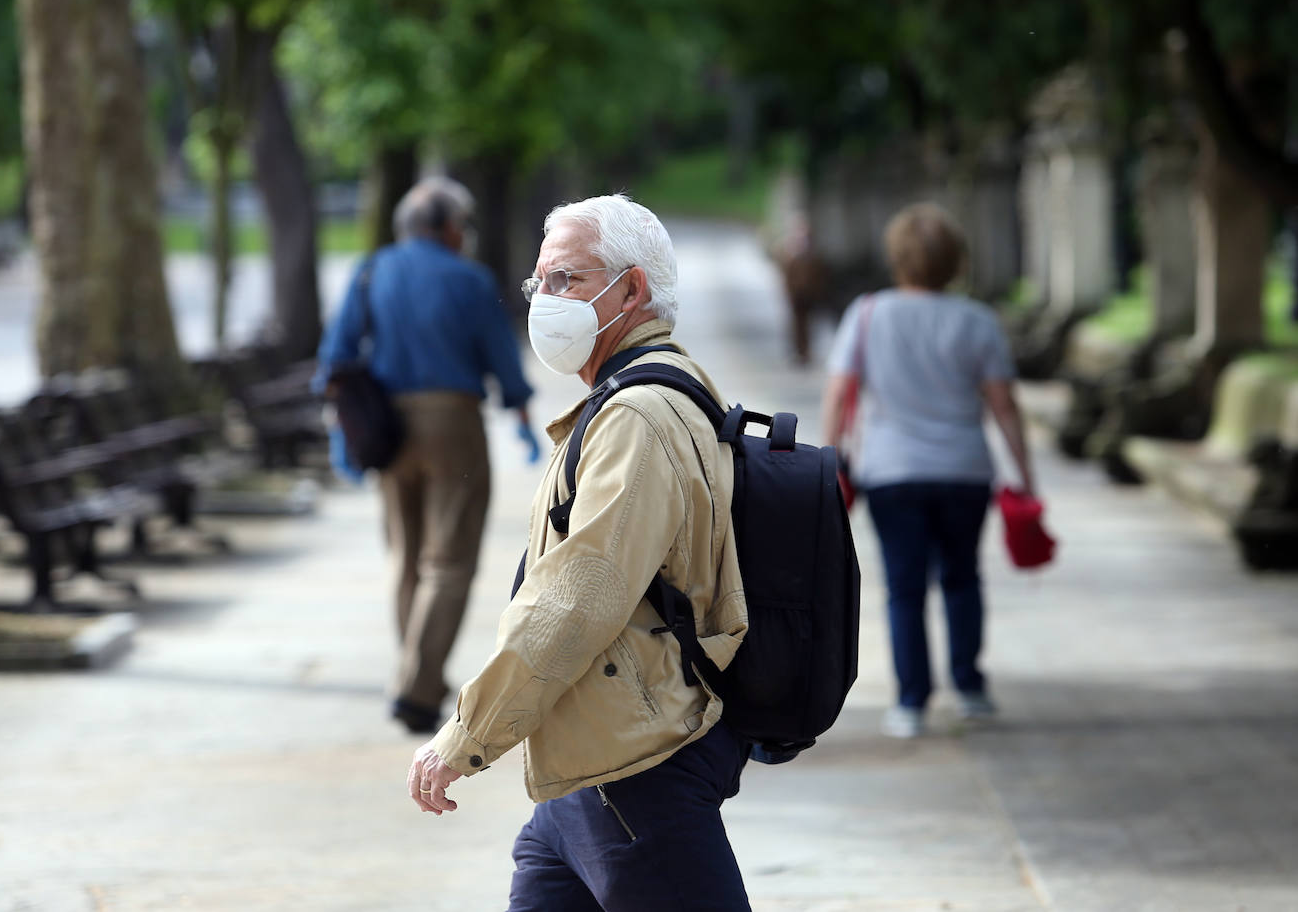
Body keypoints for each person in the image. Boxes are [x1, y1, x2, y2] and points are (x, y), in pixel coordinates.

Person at [405, 195, 753, 911]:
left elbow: (577, 598)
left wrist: (467, 736)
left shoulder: (637, 416)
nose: (545, 300)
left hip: (635, 772)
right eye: (540, 283)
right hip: (585, 769)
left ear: (632, 290)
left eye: (567, 279)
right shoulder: (631, 397)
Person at [316, 176, 538, 736]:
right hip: (453, 422)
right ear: (444, 228)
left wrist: (343, 434)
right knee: (449, 561)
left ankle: (421, 674)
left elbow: (337, 357)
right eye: (461, 226)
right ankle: (417, 689)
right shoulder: (469, 279)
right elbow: (501, 359)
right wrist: (522, 415)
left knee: (406, 557)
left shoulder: (370, 271)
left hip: (387, 427)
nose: (464, 236)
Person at [820, 202, 1037, 740]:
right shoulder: (978, 320)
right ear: (957, 262)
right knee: (963, 577)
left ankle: (911, 702)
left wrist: (829, 461)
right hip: (965, 470)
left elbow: (840, 394)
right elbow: (1004, 405)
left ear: (897, 258)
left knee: (904, 588)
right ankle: (970, 689)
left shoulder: (869, 313)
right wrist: (1025, 472)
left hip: (891, 472)